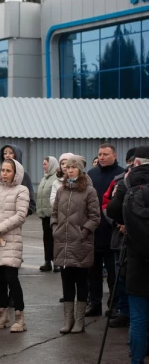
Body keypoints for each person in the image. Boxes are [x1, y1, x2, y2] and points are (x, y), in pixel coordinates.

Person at [51, 155, 100, 334]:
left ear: (80, 169)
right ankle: (68, 320)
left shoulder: (89, 191)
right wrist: (55, 228)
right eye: (67, 167)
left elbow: (95, 217)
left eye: (73, 167)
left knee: (81, 282)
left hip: (80, 243)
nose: (69, 170)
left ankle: (79, 321)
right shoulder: (61, 190)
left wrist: (83, 232)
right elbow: (54, 213)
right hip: (62, 243)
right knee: (66, 282)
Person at [0, 158, 30, 333]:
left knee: (11, 278)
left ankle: (19, 317)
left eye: (8, 171)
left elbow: (20, 215)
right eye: (2, 170)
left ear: (16, 173)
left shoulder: (21, 190)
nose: (4, 173)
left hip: (10, 240)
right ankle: (2, 314)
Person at [114, 146, 149, 364]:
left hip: (137, 261)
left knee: (138, 319)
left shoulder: (128, 185)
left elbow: (112, 211)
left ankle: (136, 361)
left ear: (136, 163)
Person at [85, 144, 125, 317]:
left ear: (114, 156)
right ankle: (94, 303)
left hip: (111, 232)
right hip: (93, 232)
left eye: (105, 154)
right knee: (93, 273)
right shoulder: (91, 174)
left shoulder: (121, 176)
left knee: (113, 273)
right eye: (100, 154)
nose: (102, 157)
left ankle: (114, 305)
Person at [105, 148, 138, 328]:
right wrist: (117, 222)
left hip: (138, 237)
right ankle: (123, 310)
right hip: (119, 237)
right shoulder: (119, 181)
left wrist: (130, 224)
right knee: (121, 275)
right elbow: (107, 205)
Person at [0, 145, 36, 216]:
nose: (7, 155)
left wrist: (21, 215)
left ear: (17, 155)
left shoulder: (24, 176)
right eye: (5, 153)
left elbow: (31, 202)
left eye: (11, 153)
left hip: (14, 219)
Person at [36, 156, 59, 272]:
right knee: (47, 239)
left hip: (54, 215)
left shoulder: (56, 178)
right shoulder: (44, 178)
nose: (43, 166)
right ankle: (47, 261)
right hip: (45, 215)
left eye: (45, 164)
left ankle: (57, 262)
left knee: (55, 238)